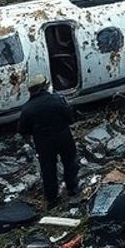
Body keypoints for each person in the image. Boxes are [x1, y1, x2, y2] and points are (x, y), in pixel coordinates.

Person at [17, 73, 78, 208]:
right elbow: (70, 118)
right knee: (69, 163)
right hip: (64, 137)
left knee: (48, 170)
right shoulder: (57, 99)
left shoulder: (27, 108)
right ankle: (72, 190)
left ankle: (52, 199)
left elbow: (23, 130)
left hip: (44, 143)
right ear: (44, 87)